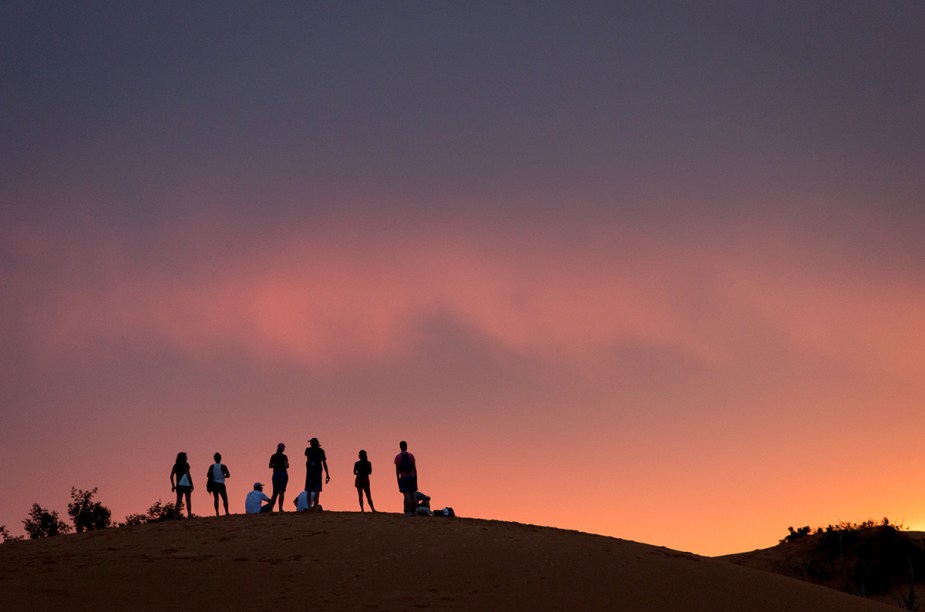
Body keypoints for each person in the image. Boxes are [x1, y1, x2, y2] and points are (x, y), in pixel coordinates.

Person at [304, 437, 330, 511]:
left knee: (309, 490)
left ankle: (309, 506)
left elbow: (306, 455)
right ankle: (314, 506)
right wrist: (327, 474)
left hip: (310, 471)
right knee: (317, 489)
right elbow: (324, 463)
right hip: (318, 471)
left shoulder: (308, 450)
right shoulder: (321, 451)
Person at [394, 441, 417, 516]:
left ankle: (409, 511)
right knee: (413, 494)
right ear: (406, 446)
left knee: (407, 495)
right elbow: (414, 468)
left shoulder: (398, 457)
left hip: (404, 477)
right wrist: (416, 477)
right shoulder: (411, 456)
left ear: (400, 447)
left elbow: (397, 470)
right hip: (412, 476)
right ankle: (415, 511)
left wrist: (398, 479)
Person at [170, 452, 194, 517]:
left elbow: (171, 475)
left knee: (178, 501)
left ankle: (175, 515)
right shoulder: (186, 465)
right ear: (183, 458)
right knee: (188, 500)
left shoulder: (175, 466)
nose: (187, 458)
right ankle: (189, 514)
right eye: (186, 457)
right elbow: (188, 474)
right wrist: (191, 483)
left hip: (179, 485)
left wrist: (173, 485)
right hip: (186, 483)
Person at [206, 452, 231, 516]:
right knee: (225, 499)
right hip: (221, 484)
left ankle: (217, 513)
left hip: (214, 484)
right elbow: (228, 475)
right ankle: (227, 512)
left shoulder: (212, 466)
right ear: (220, 458)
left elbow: (208, 475)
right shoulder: (223, 466)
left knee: (216, 499)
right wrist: (224, 476)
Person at [268, 442, 289, 512]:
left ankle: (270, 509)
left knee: (274, 493)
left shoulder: (273, 456)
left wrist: (276, 465)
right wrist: (282, 465)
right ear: (283, 449)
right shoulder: (284, 457)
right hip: (283, 474)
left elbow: (270, 465)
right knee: (282, 492)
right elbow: (287, 466)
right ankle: (280, 509)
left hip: (275, 475)